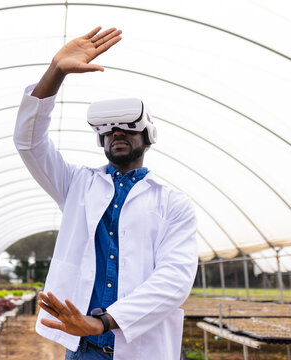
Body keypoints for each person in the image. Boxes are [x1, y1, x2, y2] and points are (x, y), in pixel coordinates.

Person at [13, 27, 198, 360]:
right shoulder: (76, 185)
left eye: (127, 127)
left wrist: (102, 322)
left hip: (142, 349)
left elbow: (174, 280)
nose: (116, 134)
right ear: (100, 141)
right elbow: (29, 143)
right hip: (85, 349)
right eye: (108, 131)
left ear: (148, 136)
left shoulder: (172, 203)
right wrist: (55, 71)